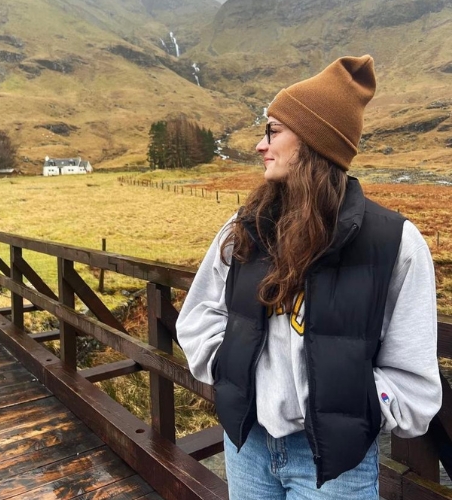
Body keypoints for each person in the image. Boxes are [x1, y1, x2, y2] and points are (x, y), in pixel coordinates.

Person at [176, 55, 443, 500]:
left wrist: (356, 410)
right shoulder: (244, 228)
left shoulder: (396, 243)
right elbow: (197, 315)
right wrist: (229, 371)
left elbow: (414, 379)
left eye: (273, 131)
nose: (261, 146)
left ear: (315, 141)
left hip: (336, 467)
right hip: (247, 446)